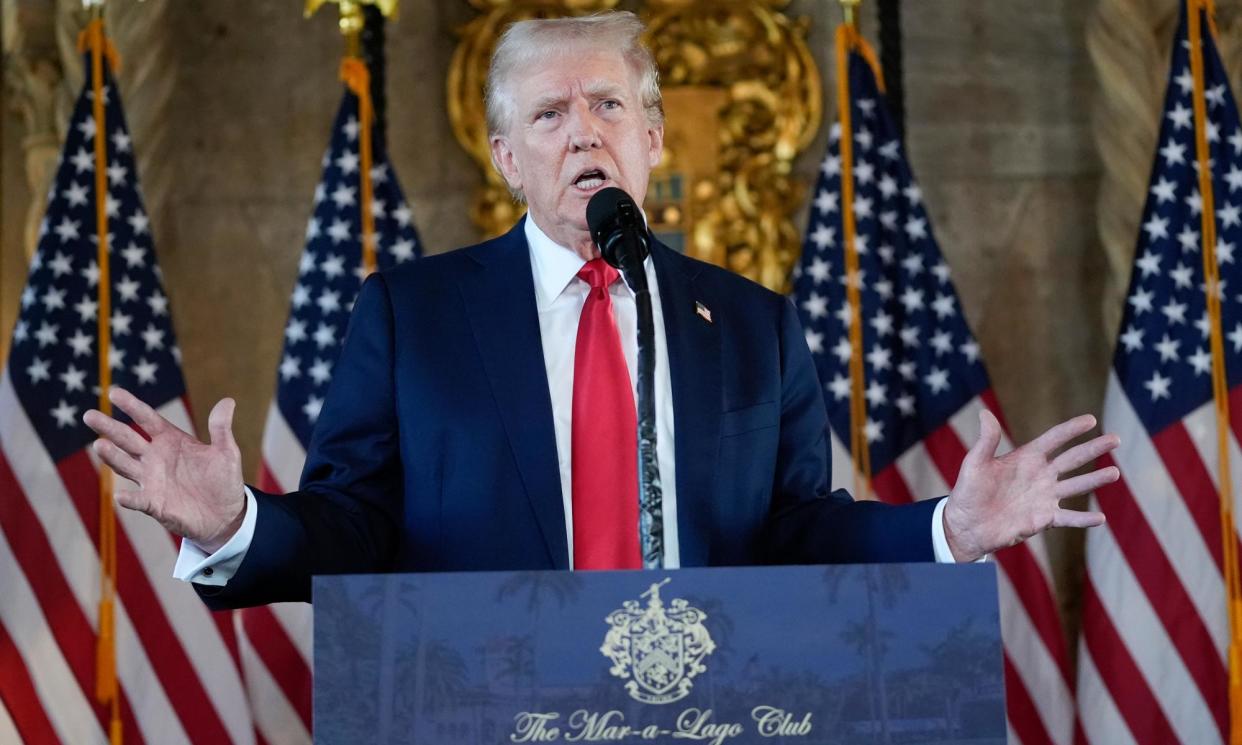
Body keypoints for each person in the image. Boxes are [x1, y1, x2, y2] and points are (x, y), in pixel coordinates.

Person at [83, 12, 1118, 609]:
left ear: (653, 137)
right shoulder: (411, 313)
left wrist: (950, 526)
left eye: (607, 105)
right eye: (550, 113)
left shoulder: (753, 325)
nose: (584, 133)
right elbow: (358, 527)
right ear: (505, 158)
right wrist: (236, 523)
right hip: (486, 707)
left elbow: (797, 532)